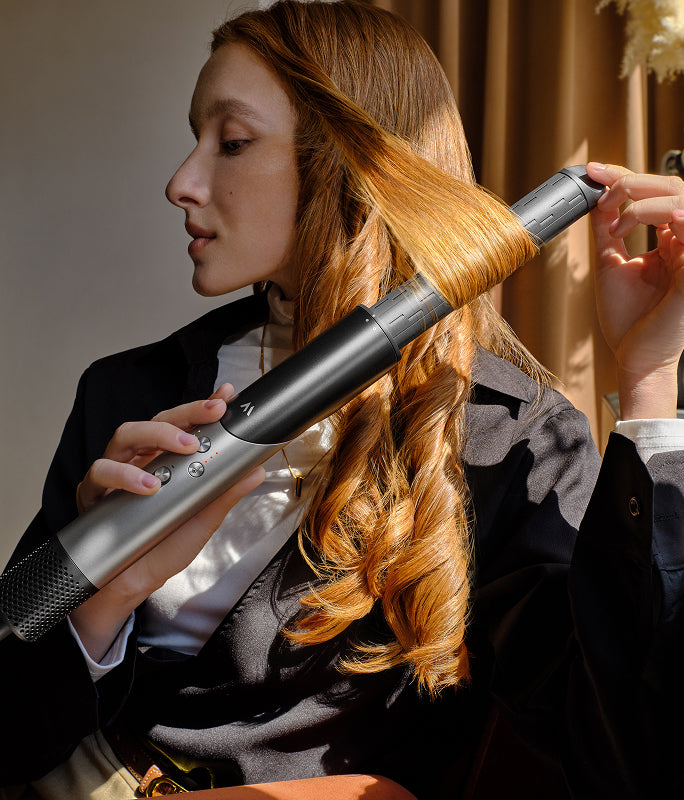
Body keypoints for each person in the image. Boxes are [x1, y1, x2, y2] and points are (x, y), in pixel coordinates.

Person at [1, 1, 683, 798]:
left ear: (350, 164)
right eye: (195, 139)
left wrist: (648, 375)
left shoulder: (508, 439)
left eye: (232, 142)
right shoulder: (128, 394)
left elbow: (624, 752)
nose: (181, 183)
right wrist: (104, 597)